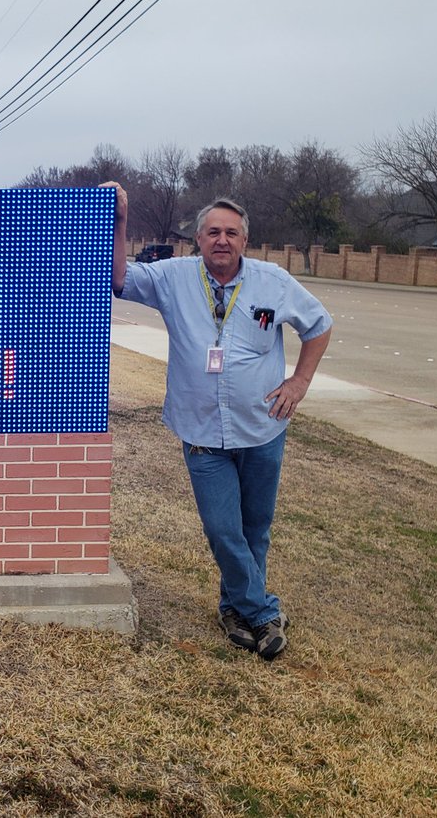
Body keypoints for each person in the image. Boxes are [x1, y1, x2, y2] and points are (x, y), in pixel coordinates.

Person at [104, 182, 332, 660]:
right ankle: (264, 611)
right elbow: (119, 279)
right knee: (222, 528)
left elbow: (319, 325)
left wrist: (299, 382)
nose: (222, 240)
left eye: (231, 232)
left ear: (244, 240)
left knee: (255, 529)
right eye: (212, 232)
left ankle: (235, 610)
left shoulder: (274, 281)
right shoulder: (173, 277)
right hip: (202, 428)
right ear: (198, 240)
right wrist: (120, 221)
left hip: (262, 427)